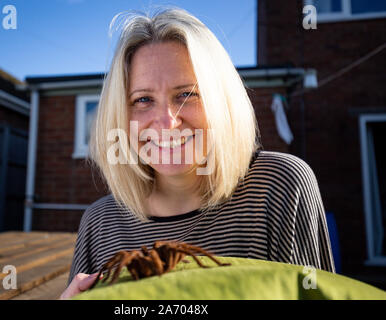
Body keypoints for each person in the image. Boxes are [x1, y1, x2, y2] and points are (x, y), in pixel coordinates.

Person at [59, 7, 335, 300]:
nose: (167, 122)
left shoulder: (280, 187)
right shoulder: (100, 221)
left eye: (186, 95)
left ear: (222, 100)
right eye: (143, 99)